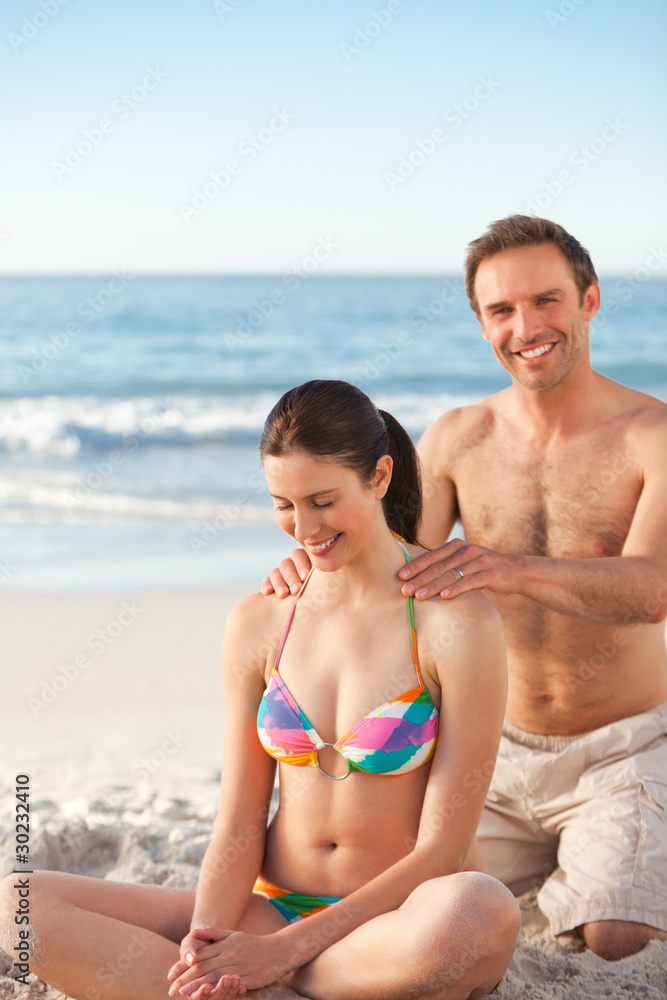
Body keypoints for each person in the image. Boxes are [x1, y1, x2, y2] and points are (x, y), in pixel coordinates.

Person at [0, 380, 520, 1000]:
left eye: (323, 501)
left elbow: (444, 847)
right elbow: (240, 822)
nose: (303, 528)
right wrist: (205, 944)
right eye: (283, 504)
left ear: (380, 477)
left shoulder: (455, 622)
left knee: (480, 913)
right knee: (17, 905)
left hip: (397, 924)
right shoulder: (262, 620)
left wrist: (283, 954)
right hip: (270, 911)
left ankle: (282, 982)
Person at [264, 218, 667, 962]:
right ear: (481, 323)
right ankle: (563, 865)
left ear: (589, 300)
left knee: (617, 940)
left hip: (622, 747)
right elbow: (386, 563)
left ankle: (599, 863)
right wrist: (306, 566)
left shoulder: (652, 436)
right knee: (377, 891)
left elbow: (651, 592)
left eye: (546, 301)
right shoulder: (455, 437)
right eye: (501, 311)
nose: (527, 327)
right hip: (489, 752)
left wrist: (508, 568)